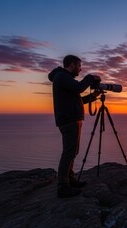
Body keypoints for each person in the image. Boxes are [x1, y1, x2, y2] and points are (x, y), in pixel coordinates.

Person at [48, 55, 100, 198]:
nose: (80, 69)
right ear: (71, 65)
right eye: (78, 66)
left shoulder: (65, 79)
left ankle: (69, 180)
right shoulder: (62, 77)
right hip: (69, 121)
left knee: (73, 152)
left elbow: (78, 99)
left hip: (71, 120)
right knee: (68, 153)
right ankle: (63, 187)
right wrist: (90, 78)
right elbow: (78, 88)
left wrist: (93, 96)